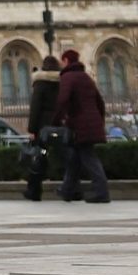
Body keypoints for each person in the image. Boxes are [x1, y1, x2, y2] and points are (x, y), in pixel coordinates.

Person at [57, 48, 113, 204]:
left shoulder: (68, 77)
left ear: (66, 61)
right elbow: (100, 102)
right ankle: (67, 190)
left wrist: (57, 119)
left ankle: (102, 193)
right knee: (74, 158)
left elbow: (62, 100)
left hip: (79, 125)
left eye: (62, 61)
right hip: (90, 123)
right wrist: (99, 121)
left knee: (89, 157)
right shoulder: (86, 77)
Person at [24, 54, 63, 200]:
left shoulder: (40, 82)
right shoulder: (62, 81)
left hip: (43, 126)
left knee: (39, 157)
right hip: (60, 124)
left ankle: (34, 191)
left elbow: (35, 107)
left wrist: (32, 129)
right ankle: (72, 187)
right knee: (65, 156)